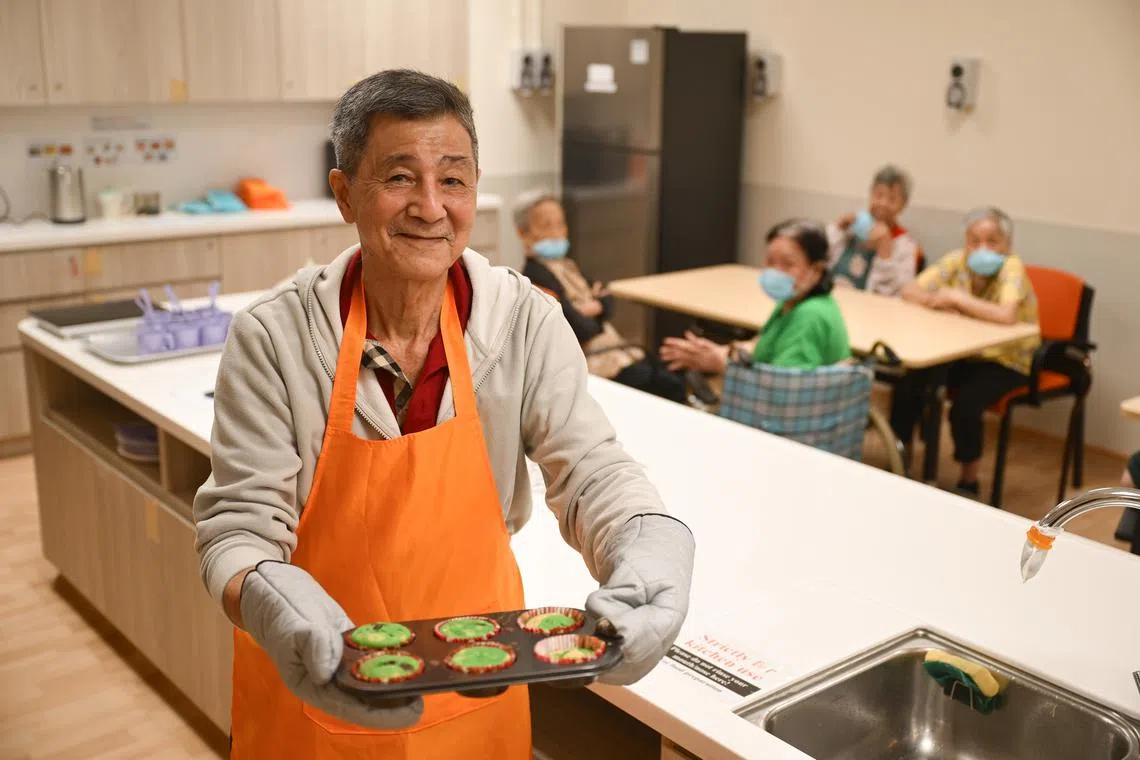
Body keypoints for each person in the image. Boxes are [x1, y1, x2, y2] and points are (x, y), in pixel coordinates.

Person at [194, 70, 695, 759]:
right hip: (318, 687)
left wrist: (651, 542)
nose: (431, 207)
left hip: (478, 689)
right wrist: (268, 603)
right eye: (400, 178)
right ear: (344, 195)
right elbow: (237, 526)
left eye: (454, 180)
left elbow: (589, 468)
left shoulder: (522, 322)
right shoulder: (276, 339)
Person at [889, 206, 1040, 498]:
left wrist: (958, 300)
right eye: (974, 241)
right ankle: (900, 454)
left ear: (1007, 244)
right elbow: (910, 291)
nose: (982, 249)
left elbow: (1006, 315)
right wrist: (937, 301)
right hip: (965, 353)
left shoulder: (1012, 267)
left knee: (966, 403)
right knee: (913, 376)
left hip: (1008, 359)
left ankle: (968, 480)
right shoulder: (956, 262)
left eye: (992, 241)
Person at [516, 190, 687, 403]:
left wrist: (592, 309)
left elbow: (607, 299)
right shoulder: (536, 277)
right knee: (666, 383)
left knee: (672, 370)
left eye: (560, 224)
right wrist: (596, 311)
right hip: (590, 362)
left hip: (613, 349)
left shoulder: (567, 265)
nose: (556, 232)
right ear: (523, 233)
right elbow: (580, 328)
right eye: (546, 225)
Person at [659, 219, 851, 376]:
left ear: (816, 271)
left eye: (787, 264)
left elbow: (783, 385)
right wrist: (719, 352)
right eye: (770, 261)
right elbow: (759, 345)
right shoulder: (792, 302)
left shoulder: (810, 315)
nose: (775, 271)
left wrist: (720, 365)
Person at [827, 165, 922, 296]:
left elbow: (899, 295)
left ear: (903, 205)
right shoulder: (852, 228)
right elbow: (821, 261)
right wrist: (837, 229)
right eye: (878, 195)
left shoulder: (906, 246)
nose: (883, 203)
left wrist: (885, 253)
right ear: (870, 194)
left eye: (892, 199)